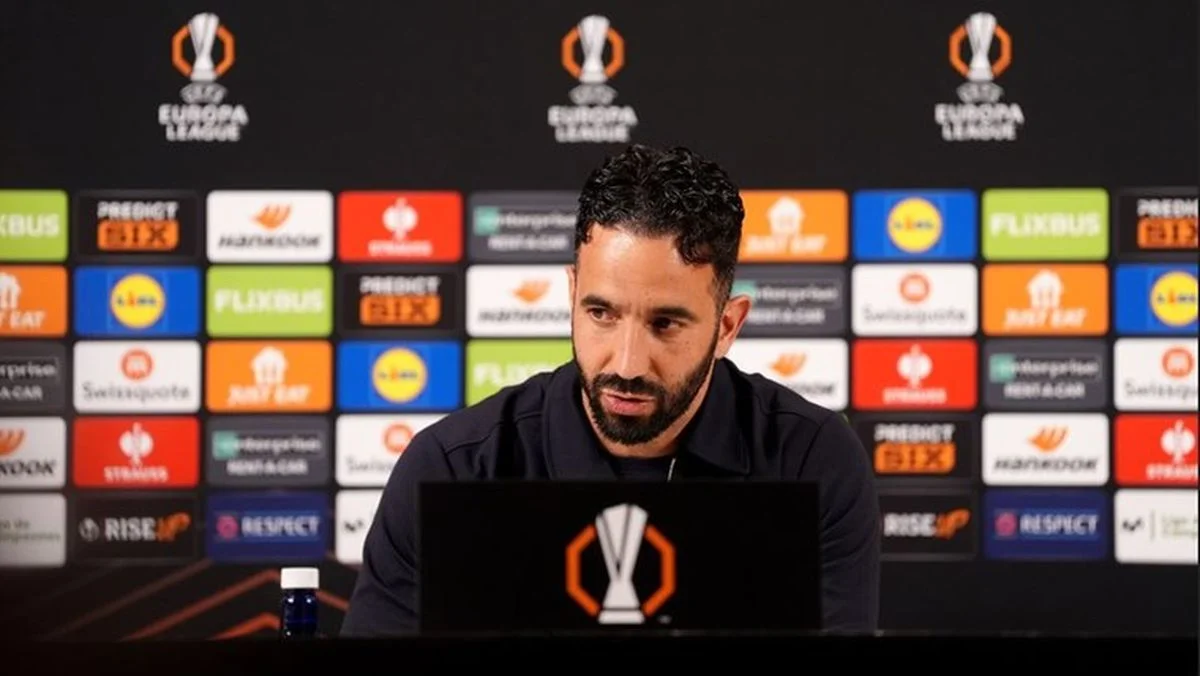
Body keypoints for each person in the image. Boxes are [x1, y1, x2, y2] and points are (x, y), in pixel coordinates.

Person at [340, 143, 881, 636]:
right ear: (571, 294)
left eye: (665, 324)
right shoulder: (453, 470)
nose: (626, 363)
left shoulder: (811, 462)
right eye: (601, 313)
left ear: (727, 327)